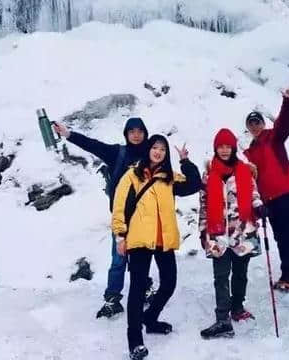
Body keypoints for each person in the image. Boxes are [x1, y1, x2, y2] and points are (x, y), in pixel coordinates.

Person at [53, 118, 154, 318]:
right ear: (126, 134)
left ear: (145, 133)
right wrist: (68, 134)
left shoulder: (152, 156)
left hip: (144, 219)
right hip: (121, 220)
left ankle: (143, 290)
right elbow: (92, 145)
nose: (136, 135)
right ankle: (112, 299)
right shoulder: (118, 153)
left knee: (140, 260)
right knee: (118, 260)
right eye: (131, 131)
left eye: (139, 131)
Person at [112, 134, 201, 360]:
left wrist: (185, 162)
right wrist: (120, 237)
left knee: (169, 283)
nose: (158, 152)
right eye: (155, 147)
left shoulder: (169, 178)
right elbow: (119, 207)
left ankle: (150, 318)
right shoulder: (132, 175)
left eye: (162, 149)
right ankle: (135, 341)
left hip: (163, 240)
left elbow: (194, 184)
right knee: (137, 289)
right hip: (140, 240)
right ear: (148, 150)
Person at [198, 128, 265, 340]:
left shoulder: (244, 170)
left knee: (240, 273)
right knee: (220, 276)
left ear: (233, 147)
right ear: (215, 148)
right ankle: (222, 319)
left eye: (228, 146)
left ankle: (237, 307)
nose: (224, 150)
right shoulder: (209, 175)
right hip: (217, 234)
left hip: (242, 231)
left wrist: (259, 206)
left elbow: (253, 194)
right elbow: (204, 205)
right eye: (221, 146)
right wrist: (202, 231)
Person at [243, 88, 289, 292]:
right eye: (251, 124)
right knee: (281, 236)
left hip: (285, 193)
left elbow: (285, 121)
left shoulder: (274, 137)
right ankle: (288, 274)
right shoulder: (249, 152)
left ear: (263, 123)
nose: (255, 126)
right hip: (269, 199)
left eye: (257, 122)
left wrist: (288, 100)